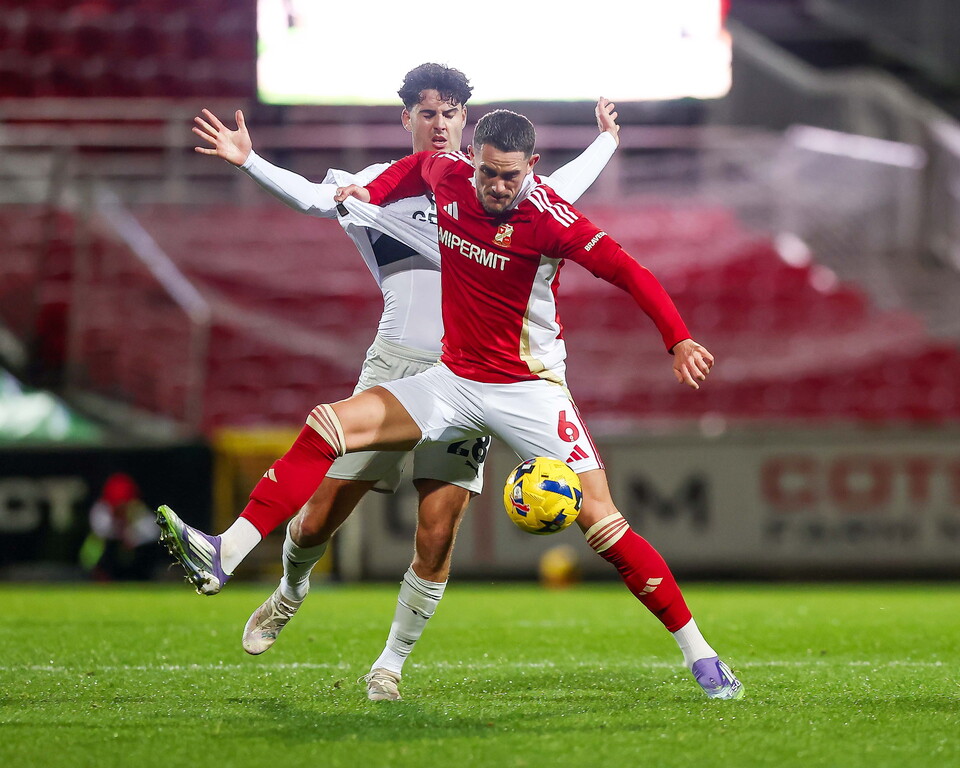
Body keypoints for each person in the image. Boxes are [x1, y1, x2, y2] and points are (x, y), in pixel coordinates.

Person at [161, 107, 744, 701]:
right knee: (328, 424)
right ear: (473, 161)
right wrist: (373, 191)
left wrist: (678, 339)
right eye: (489, 173)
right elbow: (417, 165)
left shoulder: (553, 220)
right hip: (453, 381)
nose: (498, 187)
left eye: (511, 176)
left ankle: (700, 654)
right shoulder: (449, 175)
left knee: (603, 522)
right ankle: (226, 551)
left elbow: (631, 272)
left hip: (529, 390)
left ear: (532, 167)